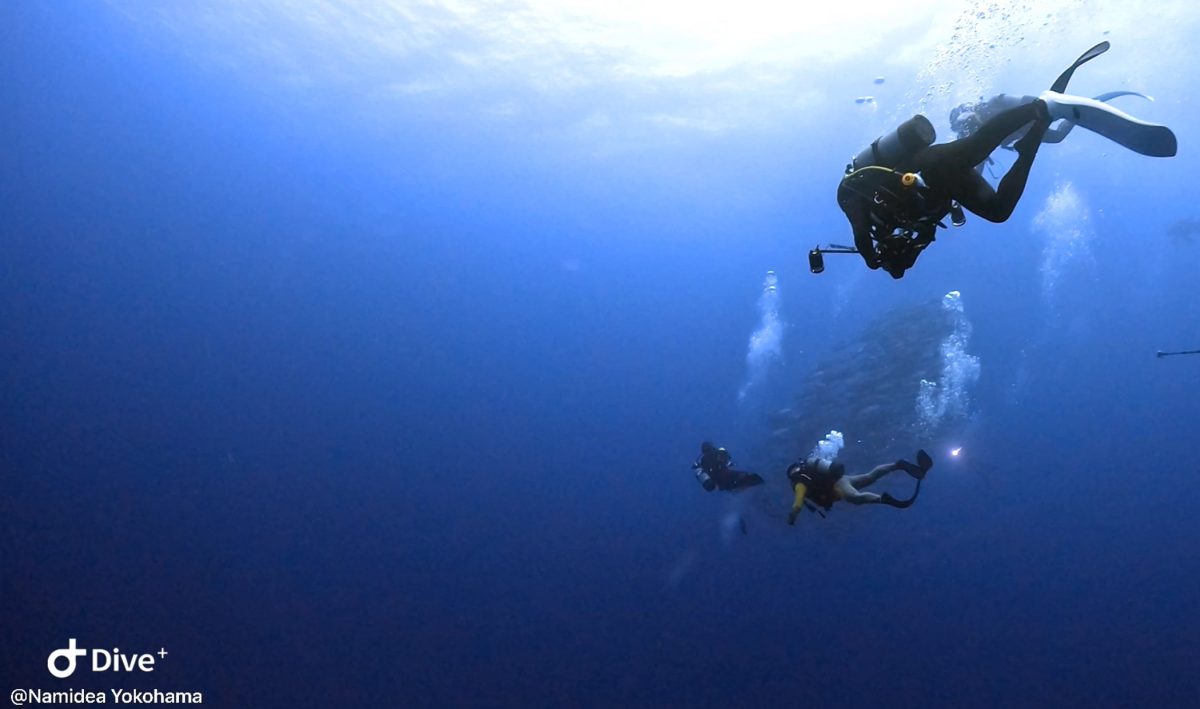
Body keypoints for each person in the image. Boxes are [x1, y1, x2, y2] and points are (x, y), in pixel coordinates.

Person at [836, 41, 1176, 279]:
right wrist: (904, 253)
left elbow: (861, 236)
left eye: (892, 250)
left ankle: (1039, 107)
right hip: (943, 187)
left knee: (975, 148)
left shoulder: (856, 202)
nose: (898, 247)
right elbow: (920, 234)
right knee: (998, 212)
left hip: (927, 164)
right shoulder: (905, 230)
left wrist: (871, 259)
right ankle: (1030, 145)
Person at [786, 450, 933, 525]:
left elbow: (798, 502)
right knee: (869, 477)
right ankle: (898, 465)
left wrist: (793, 515)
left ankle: (884, 499)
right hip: (841, 479)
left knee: (856, 498)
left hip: (837, 486)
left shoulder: (799, 483)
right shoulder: (807, 474)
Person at [692, 442, 764, 492]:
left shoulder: (701, 460)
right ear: (711, 446)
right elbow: (727, 459)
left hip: (716, 481)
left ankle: (736, 488)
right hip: (724, 473)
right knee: (746, 476)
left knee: (730, 485)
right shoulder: (716, 453)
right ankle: (764, 483)